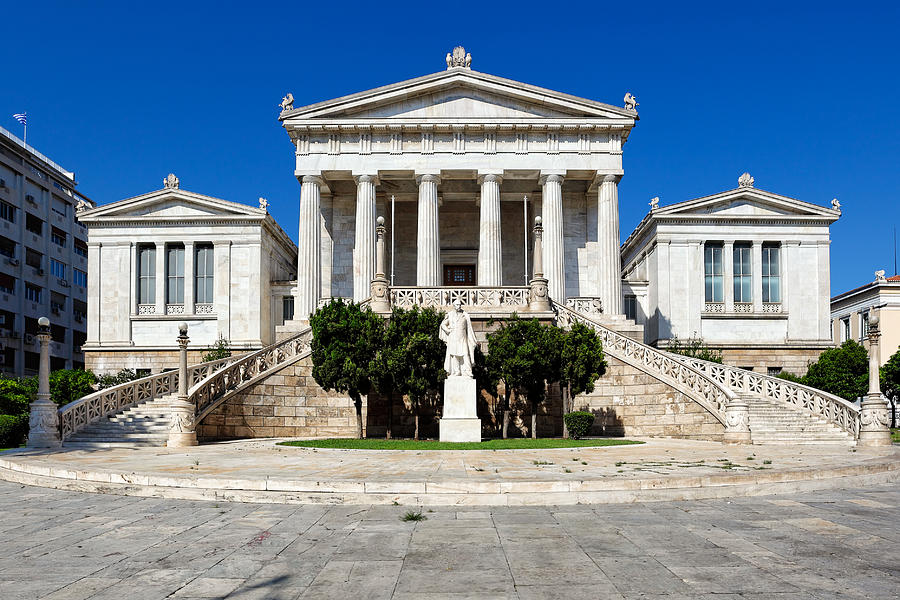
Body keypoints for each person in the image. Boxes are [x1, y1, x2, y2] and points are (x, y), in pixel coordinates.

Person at [439, 301, 477, 377]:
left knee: (466, 354)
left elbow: (468, 328)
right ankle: (457, 371)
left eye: (460, 305)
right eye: (457, 305)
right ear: (454, 306)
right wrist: (448, 330)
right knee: (454, 355)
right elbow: (443, 324)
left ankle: (468, 371)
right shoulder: (450, 315)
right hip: (453, 338)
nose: (459, 306)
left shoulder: (465, 315)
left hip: (463, 338)